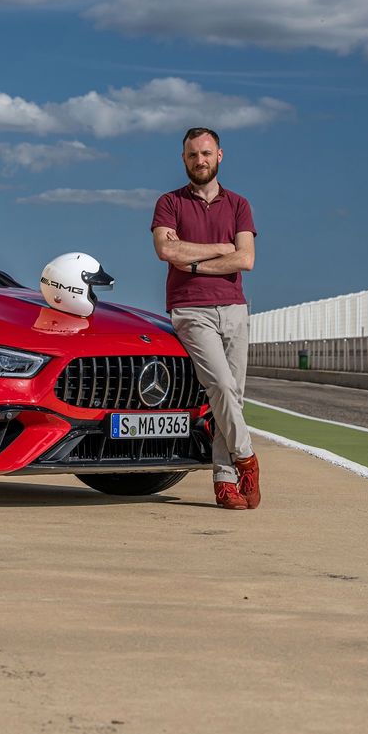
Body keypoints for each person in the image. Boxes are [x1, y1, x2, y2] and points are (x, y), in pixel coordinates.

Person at [150, 127, 260, 511]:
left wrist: (192, 261)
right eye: (193, 154)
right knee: (222, 387)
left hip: (234, 307)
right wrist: (218, 250)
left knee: (231, 397)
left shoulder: (239, 204)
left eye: (206, 153)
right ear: (184, 159)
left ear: (220, 156)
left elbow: (245, 258)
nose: (200, 160)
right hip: (189, 309)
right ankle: (247, 459)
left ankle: (225, 482)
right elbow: (167, 249)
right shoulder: (169, 203)